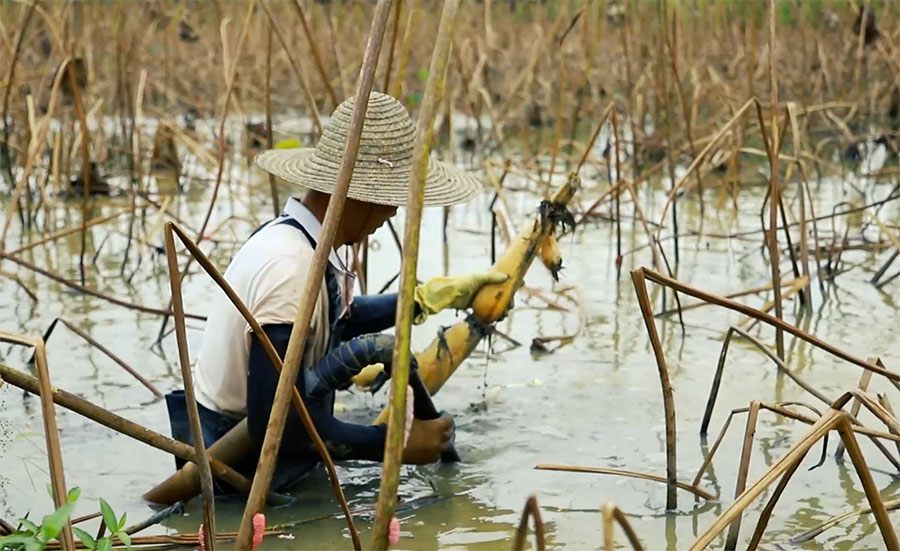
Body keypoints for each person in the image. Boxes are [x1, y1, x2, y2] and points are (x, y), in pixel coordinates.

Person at [165, 92, 506, 492]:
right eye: (390, 200)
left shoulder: (299, 242)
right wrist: (390, 445)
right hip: (236, 469)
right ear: (358, 193)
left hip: (265, 443)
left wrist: (425, 299)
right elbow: (275, 426)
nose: (393, 212)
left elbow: (333, 319)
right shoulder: (288, 267)